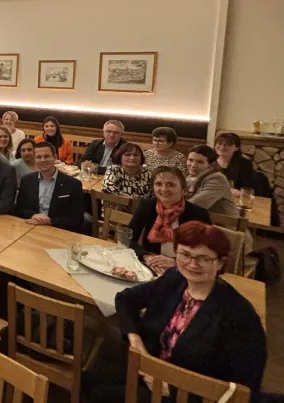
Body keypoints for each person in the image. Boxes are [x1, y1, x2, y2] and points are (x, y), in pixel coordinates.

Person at [86, 221, 266, 402]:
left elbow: (245, 392)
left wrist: (171, 389)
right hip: (147, 368)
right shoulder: (175, 278)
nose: (192, 264)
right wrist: (136, 342)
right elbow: (125, 299)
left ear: (220, 263)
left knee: (99, 393)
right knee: (88, 377)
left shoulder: (240, 317)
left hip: (184, 395)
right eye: (184, 254)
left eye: (204, 258)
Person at [128, 166, 211, 274]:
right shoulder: (146, 206)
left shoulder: (198, 214)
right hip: (151, 268)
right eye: (158, 184)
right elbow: (128, 238)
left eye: (170, 184)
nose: (164, 189)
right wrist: (147, 257)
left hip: (185, 270)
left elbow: (207, 250)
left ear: (183, 188)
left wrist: (176, 262)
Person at [14, 142, 84, 233]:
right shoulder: (27, 180)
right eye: (38, 157)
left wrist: (50, 221)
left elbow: (77, 219)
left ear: (55, 157)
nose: (42, 160)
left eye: (46, 156)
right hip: (30, 228)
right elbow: (20, 209)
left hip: (58, 231)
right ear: (34, 159)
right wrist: (33, 215)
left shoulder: (73, 184)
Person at [185, 145, 237, 216]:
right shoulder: (189, 177)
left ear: (211, 165)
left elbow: (195, 205)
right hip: (201, 221)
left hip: (223, 225)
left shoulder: (217, 179)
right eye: (190, 160)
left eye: (200, 162)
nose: (193, 165)